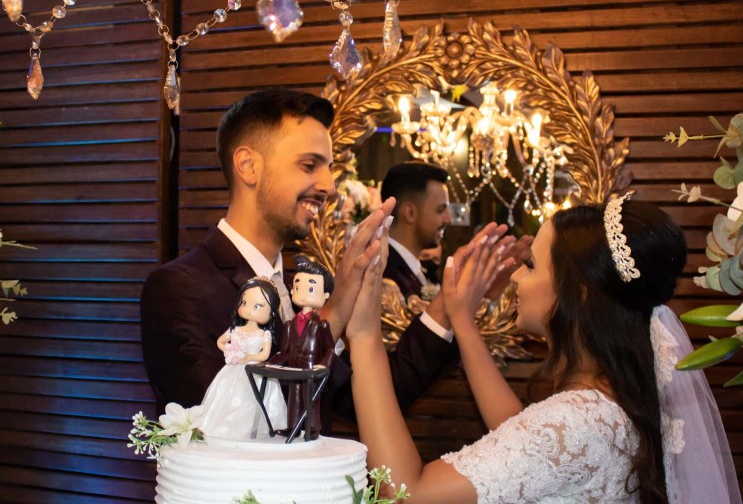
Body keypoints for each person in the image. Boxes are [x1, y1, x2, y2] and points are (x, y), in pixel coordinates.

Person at [344, 194, 743, 504]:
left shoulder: (574, 420)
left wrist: (363, 336)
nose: (516, 278)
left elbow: (405, 499)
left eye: (530, 266)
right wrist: (463, 321)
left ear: (576, 293)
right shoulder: (606, 404)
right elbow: (519, 438)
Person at [140, 89, 509, 415]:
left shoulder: (298, 289)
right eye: (309, 165)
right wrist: (338, 305)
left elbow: (366, 401)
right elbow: (229, 427)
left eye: (329, 168)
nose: (329, 186)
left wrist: (447, 303)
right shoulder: (179, 288)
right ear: (248, 166)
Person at [198, 277, 287, 440]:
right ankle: (226, 430)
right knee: (227, 399)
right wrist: (228, 349)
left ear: (271, 312)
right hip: (233, 370)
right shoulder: (235, 330)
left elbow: (265, 355)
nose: (249, 310)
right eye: (244, 303)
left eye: (258, 306)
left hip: (255, 372)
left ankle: (251, 432)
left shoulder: (264, 334)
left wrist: (249, 357)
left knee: (252, 402)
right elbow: (220, 341)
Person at [271, 261, 336, 439]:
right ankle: (292, 426)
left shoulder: (321, 325)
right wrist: (271, 363)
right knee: (294, 398)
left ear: (325, 295)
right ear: (292, 290)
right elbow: (284, 352)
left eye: (311, 288)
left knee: (311, 398)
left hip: (311, 369)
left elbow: (330, 348)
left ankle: (312, 427)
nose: (303, 293)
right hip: (294, 369)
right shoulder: (290, 325)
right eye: (298, 287)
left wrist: (324, 365)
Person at [379, 162, 454, 298]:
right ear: (410, 213)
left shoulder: (414, 269)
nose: (449, 219)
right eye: (440, 209)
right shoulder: (385, 276)